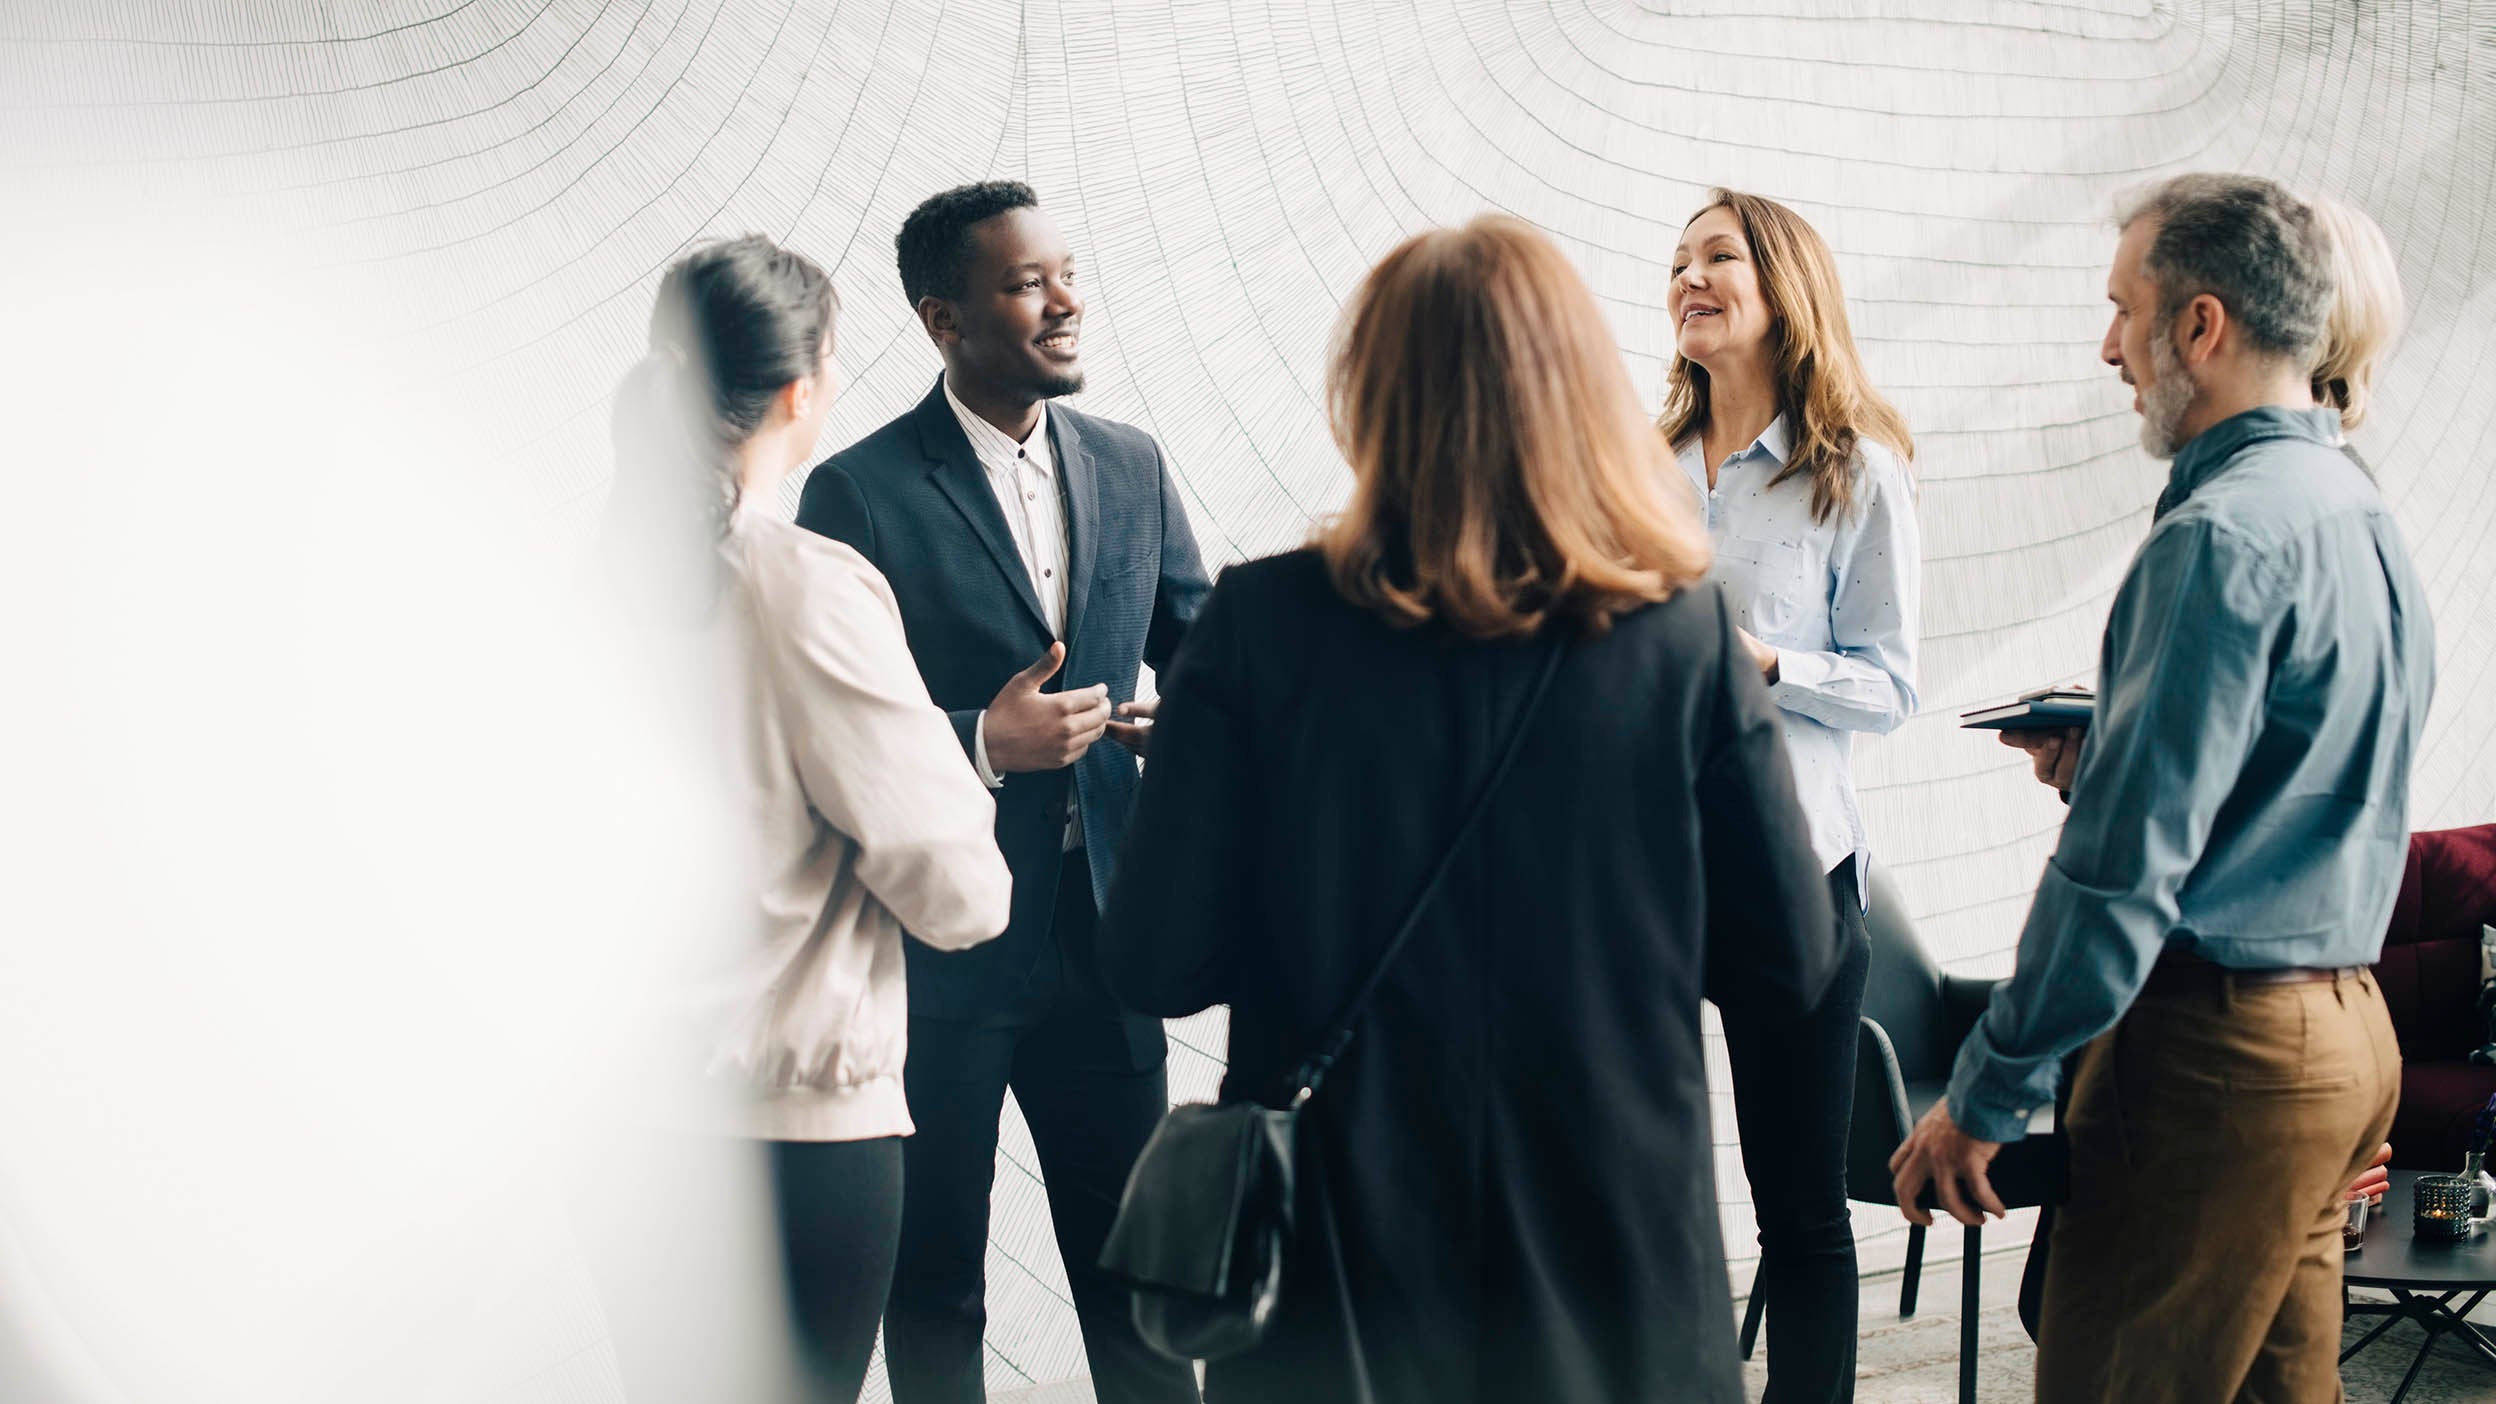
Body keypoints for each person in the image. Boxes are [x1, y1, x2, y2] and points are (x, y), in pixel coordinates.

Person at [1094, 214, 1841, 1404]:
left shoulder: (1258, 626)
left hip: (1340, 1282)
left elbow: (1153, 960)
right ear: (1583, 396)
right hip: (1613, 1269)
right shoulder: (1680, 634)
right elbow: (1791, 959)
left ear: (1372, 395)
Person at [1889, 173, 2434, 1402]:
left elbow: (2123, 875)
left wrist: (1983, 1095)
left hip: (2215, 1062)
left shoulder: (2217, 536)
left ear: (2202, 325)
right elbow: (2318, 772)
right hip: (2346, 1037)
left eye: (2124, 310)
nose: (2109, 347)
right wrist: (2116, 752)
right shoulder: (2357, 512)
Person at [795, 181, 1209, 1404]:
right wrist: (984, 739)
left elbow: (1207, 657)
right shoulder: (855, 494)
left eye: (1066, 272)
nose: (1068, 300)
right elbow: (826, 742)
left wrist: (1191, 723)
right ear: (943, 319)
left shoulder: (1132, 466)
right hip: (940, 968)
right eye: (1030, 283)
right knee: (933, 1294)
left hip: (1114, 952)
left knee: (1143, 1293)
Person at [602, 235, 1013, 1401]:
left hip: (617, 1128)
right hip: (790, 1142)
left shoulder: (596, 583)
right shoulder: (807, 586)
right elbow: (963, 895)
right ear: (802, 387)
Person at [1659, 188, 1919, 1404]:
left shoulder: (1856, 473)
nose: (1689, 278)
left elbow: (1890, 686)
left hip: (1791, 881)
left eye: (1719, 257)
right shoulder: (1629, 468)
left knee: (1800, 1212)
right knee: (1631, 1205)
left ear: (1785, 292)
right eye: (1679, 263)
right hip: (1637, 885)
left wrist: (1767, 663)